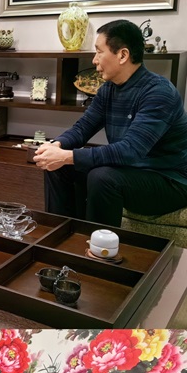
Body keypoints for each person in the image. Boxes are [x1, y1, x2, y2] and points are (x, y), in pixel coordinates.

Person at [34, 19, 187, 226]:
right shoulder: (108, 89)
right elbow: (82, 128)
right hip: (129, 170)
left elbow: (129, 151)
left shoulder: (158, 92)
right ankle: (62, 235)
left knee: (102, 177)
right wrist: (56, 146)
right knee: (58, 167)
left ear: (122, 55)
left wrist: (69, 156)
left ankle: (96, 245)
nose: (94, 60)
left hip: (169, 180)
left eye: (99, 52)